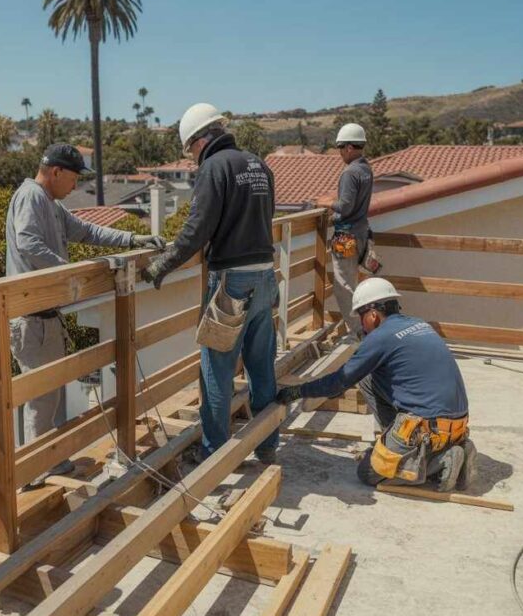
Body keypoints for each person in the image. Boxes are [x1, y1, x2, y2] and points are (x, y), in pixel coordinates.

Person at [6, 143, 166, 475]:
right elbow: (27, 242)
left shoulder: (50, 203)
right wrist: (69, 272)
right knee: (39, 397)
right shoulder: (31, 196)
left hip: (46, 315)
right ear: (56, 172)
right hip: (30, 319)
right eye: (73, 179)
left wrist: (132, 240)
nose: (75, 186)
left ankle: (47, 460)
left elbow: (88, 231)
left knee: (50, 396)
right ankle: (32, 473)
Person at [141, 103, 279, 465]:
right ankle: (267, 444)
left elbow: (196, 229)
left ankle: (214, 453)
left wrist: (163, 265)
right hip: (266, 275)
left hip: (233, 282)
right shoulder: (258, 164)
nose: (192, 157)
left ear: (199, 140)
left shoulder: (213, 168)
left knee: (216, 369)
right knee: (261, 364)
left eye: (190, 150)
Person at [277, 278, 476, 491]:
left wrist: (299, 391)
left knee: (368, 472)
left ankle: (438, 463)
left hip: (426, 429)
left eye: (362, 318)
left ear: (373, 315)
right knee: (368, 377)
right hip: (456, 426)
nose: (362, 325)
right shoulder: (419, 324)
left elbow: (339, 381)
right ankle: (453, 448)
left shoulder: (381, 337)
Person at [315, 123, 378, 339]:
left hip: (346, 235)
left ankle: (360, 331)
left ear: (349, 148)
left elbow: (346, 206)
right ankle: (365, 326)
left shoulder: (350, 172)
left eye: (341, 148)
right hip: (361, 232)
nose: (340, 153)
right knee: (353, 282)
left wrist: (327, 203)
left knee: (343, 285)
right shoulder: (366, 169)